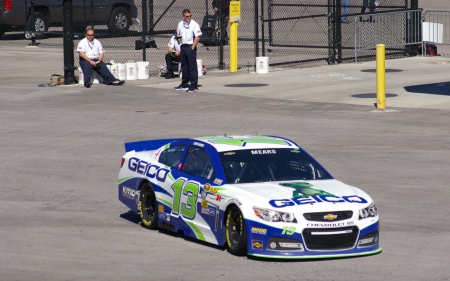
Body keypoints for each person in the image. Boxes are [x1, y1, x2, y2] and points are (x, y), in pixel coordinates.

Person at [174, 9, 202, 93]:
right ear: (183, 17)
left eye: (190, 16)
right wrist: (179, 47)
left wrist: (193, 46)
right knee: (184, 66)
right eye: (187, 16)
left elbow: (198, 36)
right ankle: (184, 84)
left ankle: (194, 85)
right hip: (183, 46)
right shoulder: (180, 24)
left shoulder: (194, 24)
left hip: (190, 46)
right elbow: (178, 35)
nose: (189, 17)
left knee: (192, 67)